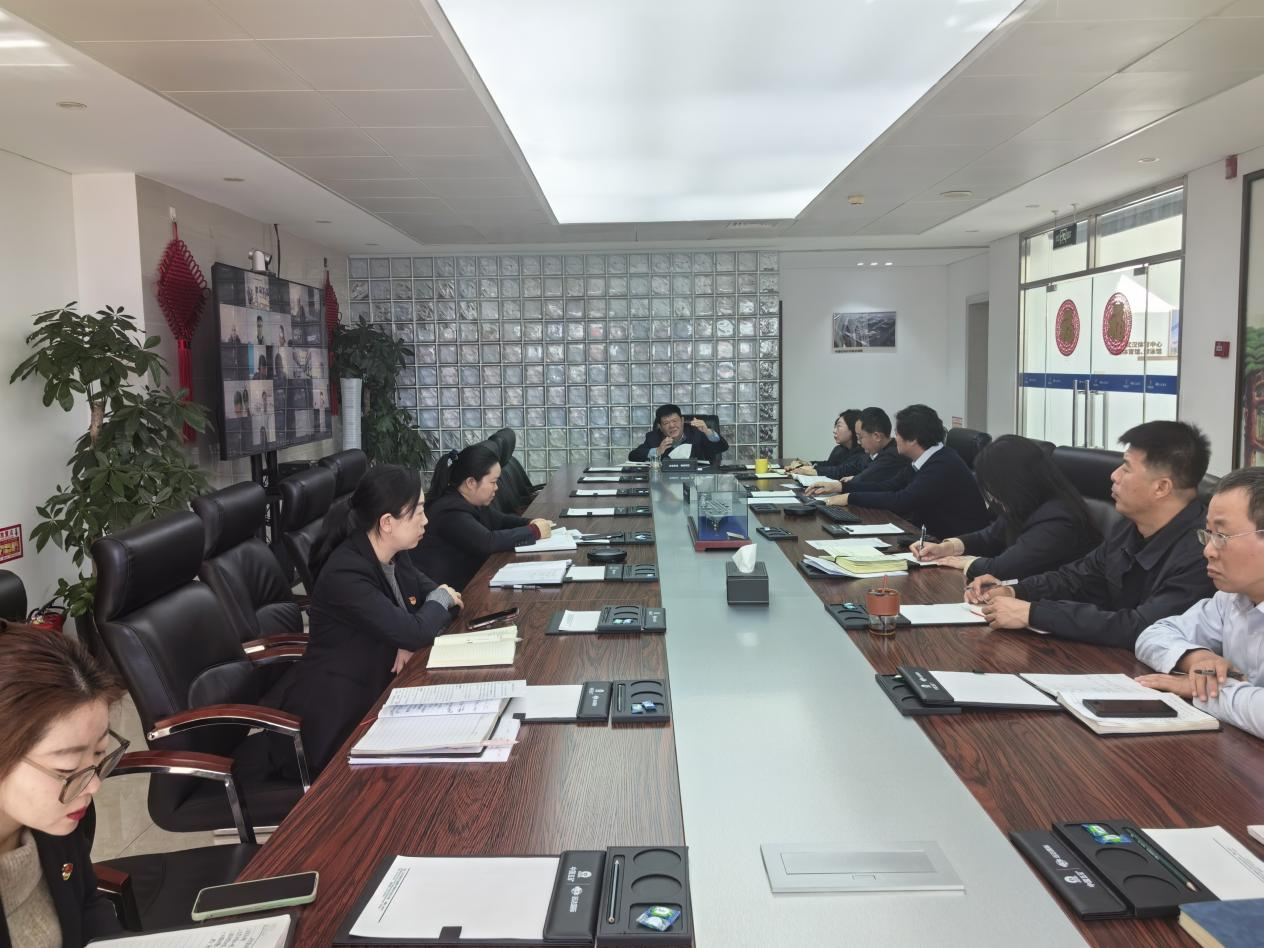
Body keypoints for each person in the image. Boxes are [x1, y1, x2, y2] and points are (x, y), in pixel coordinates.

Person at [276, 465, 462, 775]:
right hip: (340, 719)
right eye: (417, 511)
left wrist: (409, 633)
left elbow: (444, 602)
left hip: (383, 694)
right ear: (387, 522)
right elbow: (433, 608)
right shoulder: (346, 573)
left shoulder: (396, 555)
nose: (425, 520)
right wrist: (412, 630)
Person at [968, 420, 1214, 649]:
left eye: (1126, 468)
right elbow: (1076, 578)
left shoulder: (1203, 551)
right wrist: (1014, 590)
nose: (1114, 475)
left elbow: (1141, 626)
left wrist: (1034, 613)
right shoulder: (1129, 527)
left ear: (1161, 487)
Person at [0, 621, 125, 946]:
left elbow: (88, 904)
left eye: (99, 753)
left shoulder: (55, 821)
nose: (93, 786)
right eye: (67, 768)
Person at [1134, 468, 1264, 738]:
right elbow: (1152, 635)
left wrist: (1206, 690)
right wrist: (1199, 659)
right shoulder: (1232, 598)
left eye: (1221, 536)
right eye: (1208, 534)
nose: (1208, 550)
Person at [912, 435, 1100, 580]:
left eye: (995, 488)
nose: (994, 497)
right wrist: (947, 548)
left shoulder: (1058, 519)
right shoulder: (1027, 504)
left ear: (1016, 482)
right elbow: (989, 537)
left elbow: (1006, 568)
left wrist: (966, 562)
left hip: (1059, 607)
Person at [807, 404, 989, 540]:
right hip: (931, 539)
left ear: (913, 439)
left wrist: (850, 497)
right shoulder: (925, 459)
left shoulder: (941, 465)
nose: (896, 438)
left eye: (898, 433)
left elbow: (901, 500)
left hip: (956, 548)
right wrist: (841, 487)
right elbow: (890, 485)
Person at [411, 445, 553, 590]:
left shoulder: (469, 501)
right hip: (449, 592)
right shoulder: (450, 511)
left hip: (471, 580)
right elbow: (487, 542)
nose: (496, 487)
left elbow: (501, 520)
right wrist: (534, 531)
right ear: (471, 482)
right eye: (493, 482)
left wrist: (529, 522)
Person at [805, 407, 911, 496]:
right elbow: (849, 468)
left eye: (860, 437)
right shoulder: (872, 452)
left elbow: (865, 479)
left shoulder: (892, 455)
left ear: (877, 436)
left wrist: (848, 482)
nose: (859, 442)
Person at [628, 404, 728, 463]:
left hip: (696, 481)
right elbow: (633, 456)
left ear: (682, 420)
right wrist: (657, 451)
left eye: (675, 421)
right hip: (666, 485)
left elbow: (722, 447)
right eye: (666, 423)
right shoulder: (653, 437)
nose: (672, 426)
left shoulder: (697, 432)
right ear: (660, 427)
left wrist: (708, 431)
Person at [785, 410, 867, 479]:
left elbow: (840, 471)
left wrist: (808, 471)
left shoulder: (863, 452)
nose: (834, 431)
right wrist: (808, 464)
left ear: (853, 429)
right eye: (835, 427)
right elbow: (829, 464)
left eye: (839, 426)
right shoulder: (839, 449)